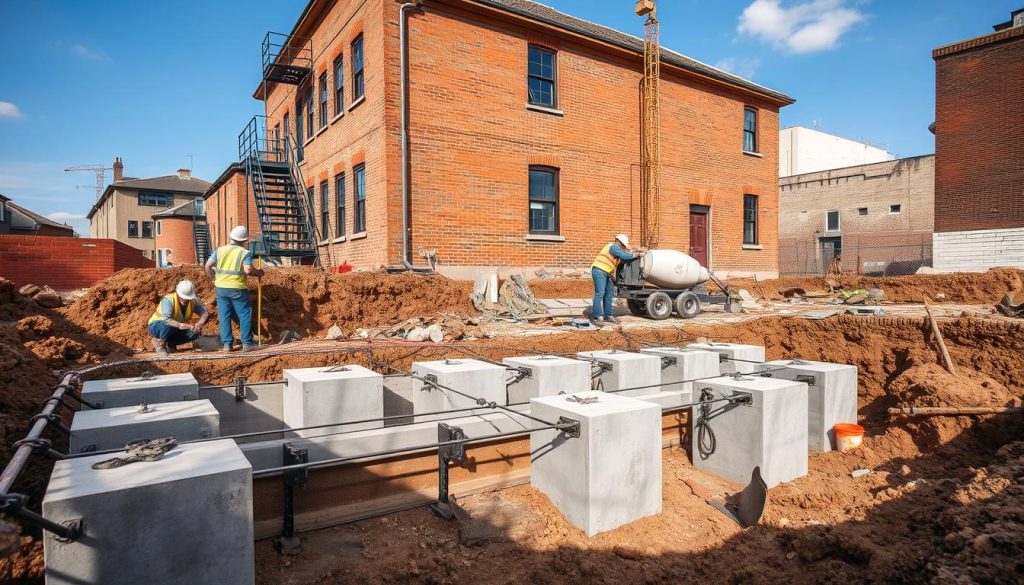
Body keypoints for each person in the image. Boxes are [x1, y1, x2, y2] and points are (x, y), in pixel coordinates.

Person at [204, 226, 264, 351]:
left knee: (224, 316)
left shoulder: (219, 250)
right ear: (244, 240)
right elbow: (248, 270)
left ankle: (227, 345)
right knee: (244, 314)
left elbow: (208, 266)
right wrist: (258, 272)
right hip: (237, 288)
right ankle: (247, 343)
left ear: (231, 237)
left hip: (221, 288)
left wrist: (213, 280)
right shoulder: (244, 252)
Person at [591, 233, 645, 325]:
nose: (623, 247)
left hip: (606, 272)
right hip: (599, 270)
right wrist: (636, 255)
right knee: (600, 293)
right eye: (623, 245)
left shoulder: (616, 249)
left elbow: (625, 254)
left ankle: (608, 315)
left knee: (609, 294)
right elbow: (625, 256)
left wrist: (636, 250)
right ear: (619, 242)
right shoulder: (613, 247)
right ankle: (597, 317)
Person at [148, 280, 209, 355]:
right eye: (183, 297)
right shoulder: (169, 300)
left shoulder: (193, 301)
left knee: (195, 333)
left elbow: (204, 313)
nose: (185, 300)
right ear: (178, 293)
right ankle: (161, 344)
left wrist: (200, 323)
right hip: (158, 326)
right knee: (168, 325)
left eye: (187, 298)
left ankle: (170, 344)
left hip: (175, 328)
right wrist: (186, 326)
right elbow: (167, 320)